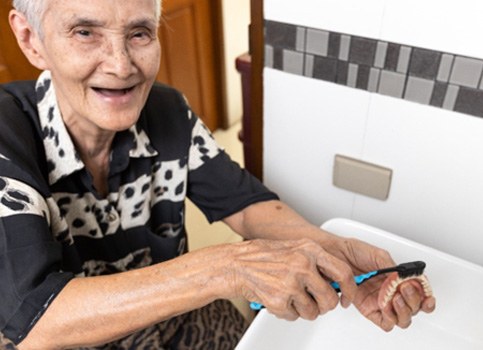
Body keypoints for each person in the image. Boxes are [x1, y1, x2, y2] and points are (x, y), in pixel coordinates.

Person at [0, 0, 436, 349]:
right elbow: (36, 320)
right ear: (30, 38)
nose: (121, 65)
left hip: (173, 319)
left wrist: (336, 255)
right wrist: (225, 268)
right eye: (85, 32)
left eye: (138, 33)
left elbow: (245, 205)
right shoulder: (7, 135)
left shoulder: (168, 110)